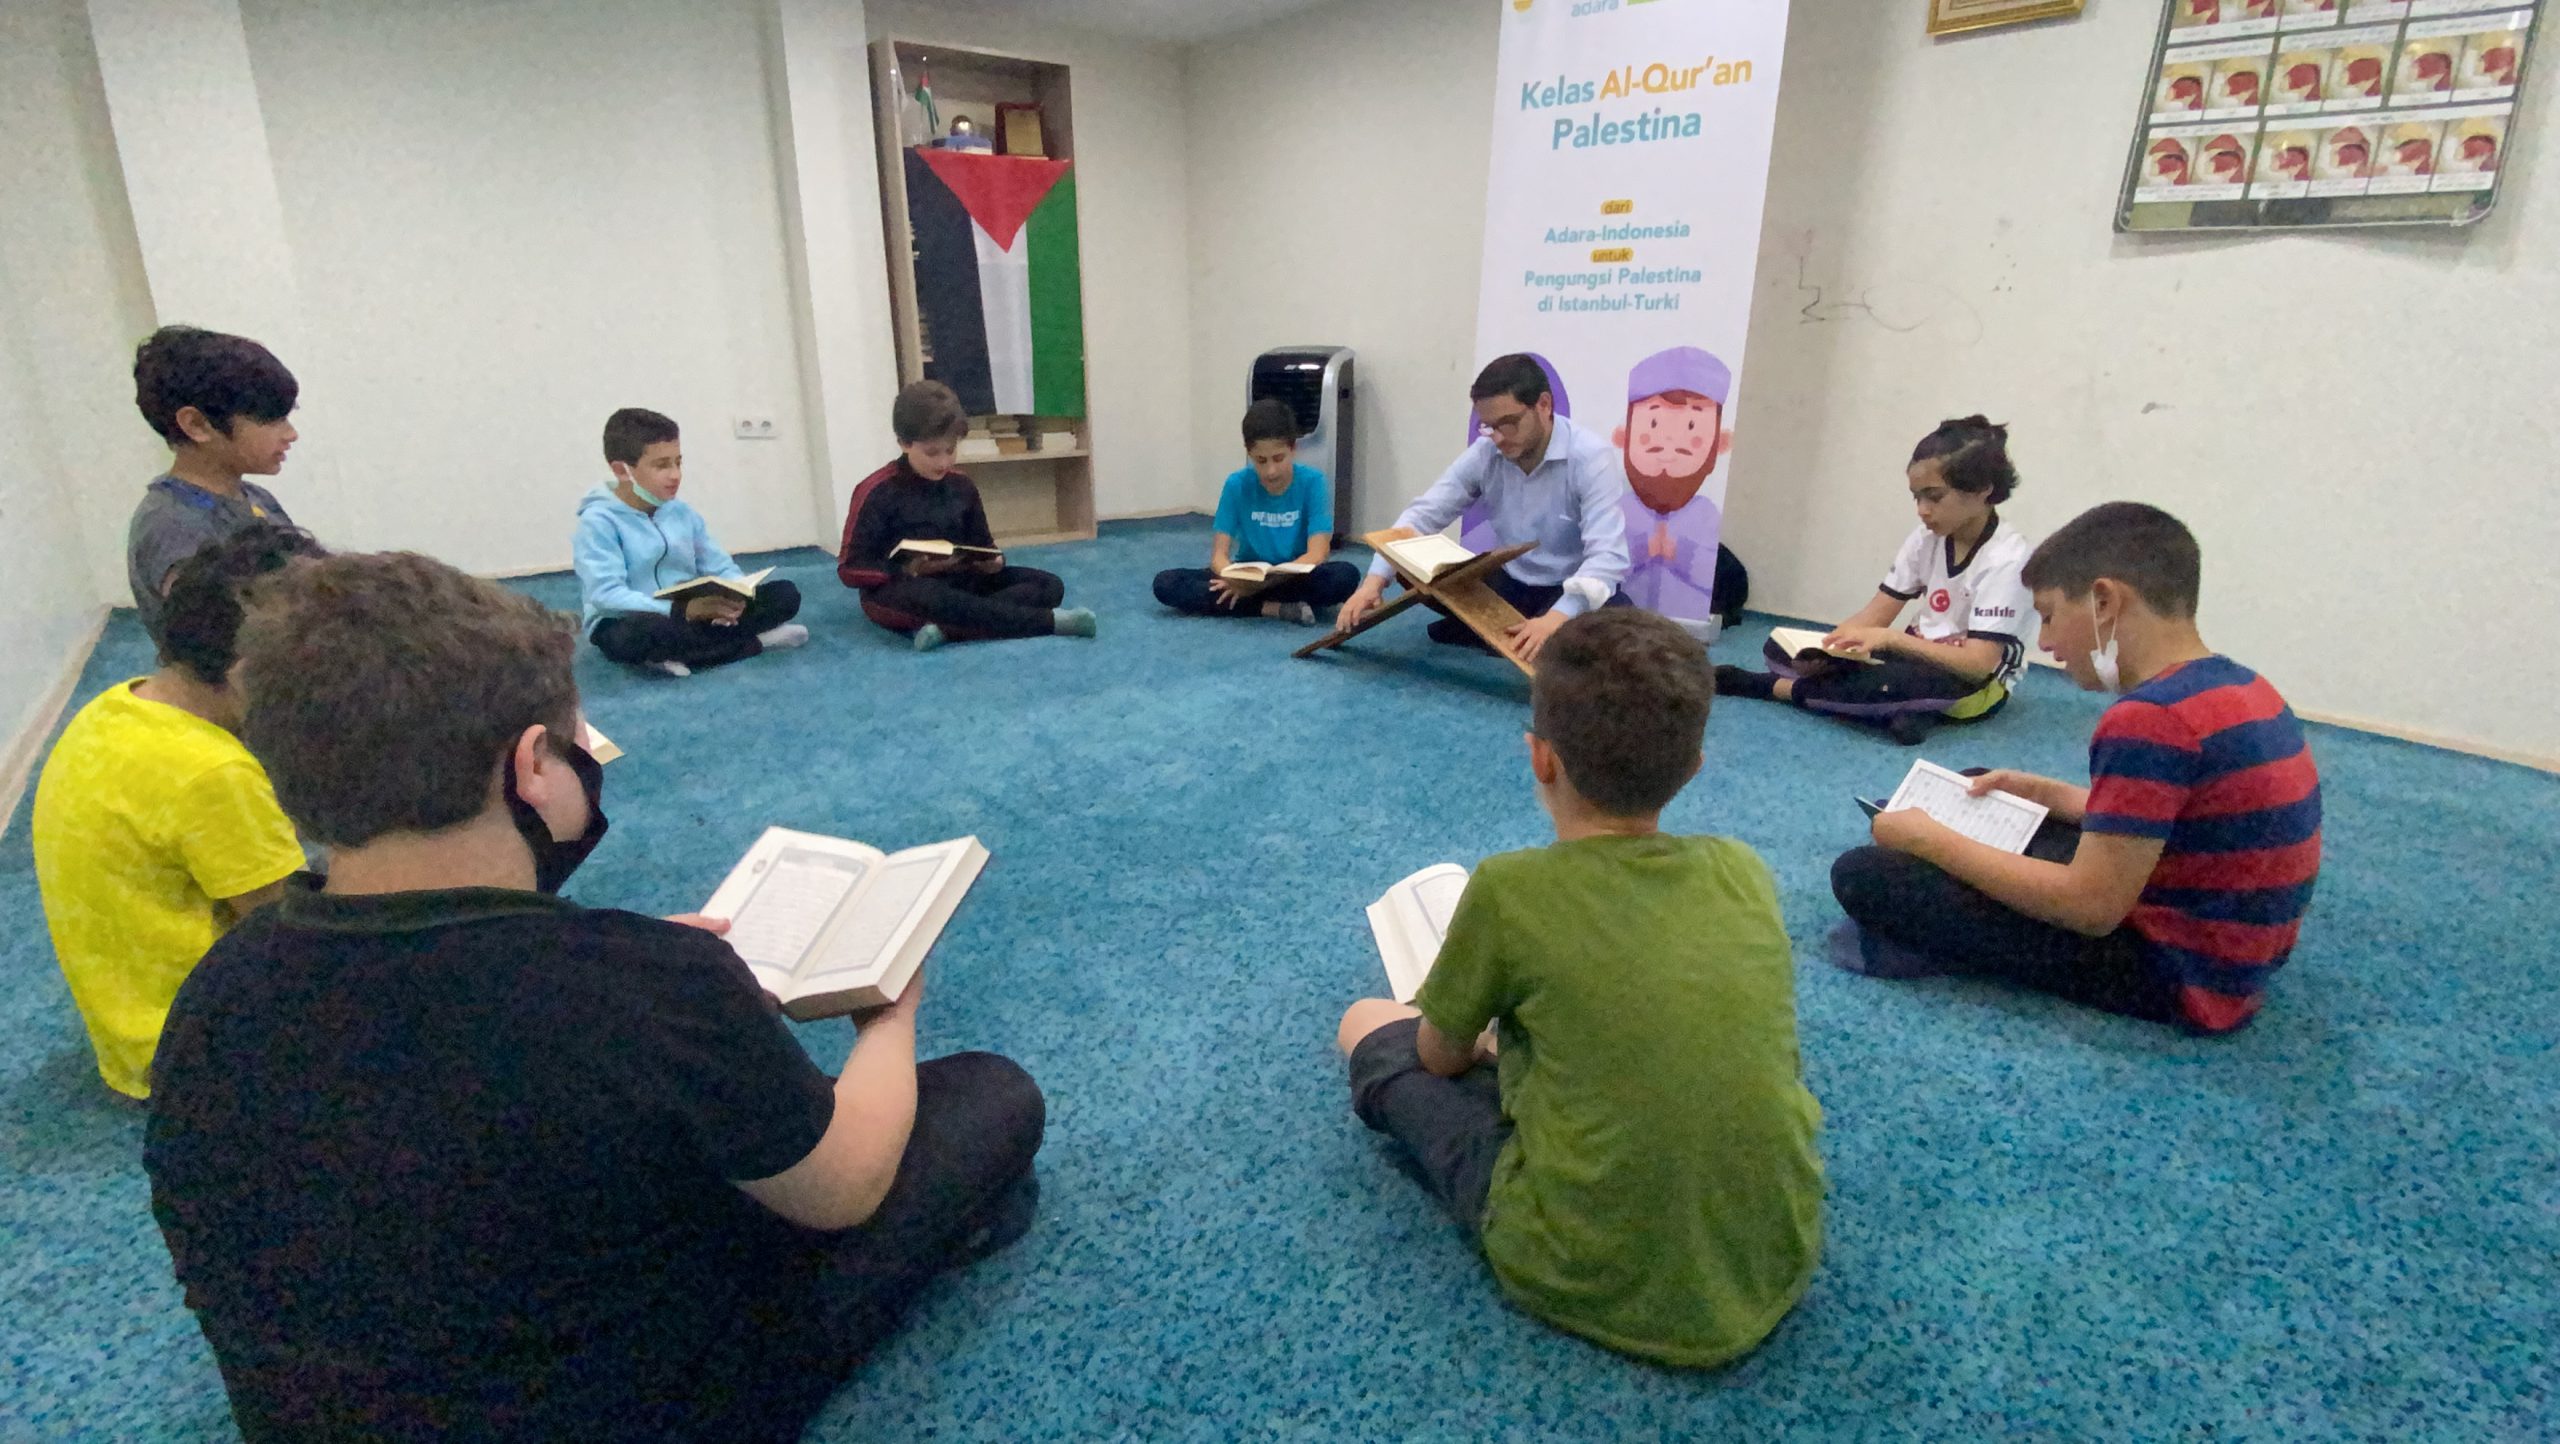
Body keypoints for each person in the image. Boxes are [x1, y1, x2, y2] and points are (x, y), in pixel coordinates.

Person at [144, 553, 1045, 1442]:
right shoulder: (644, 984)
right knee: (987, 1096)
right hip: (631, 1408)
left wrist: (647, 977)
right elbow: (844, 1187)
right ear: (532, 766)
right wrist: (890, 1017)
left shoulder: (218, 989)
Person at [1334, 609, 1823, 1367]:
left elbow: (1438, 1059)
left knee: (1366, 1023)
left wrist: (1479, 1041)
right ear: (1694, 766)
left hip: (1576, 1264)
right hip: (1775, 1249)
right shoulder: (1744, 870)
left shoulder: (1508, 888)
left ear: (1540, 758)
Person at [1829, 503, 2323, 1034]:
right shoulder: (2239, 684)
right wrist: (2051, 794)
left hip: (2178, 973)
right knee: (1984, 793)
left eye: (2048, 616)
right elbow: (2187, 820)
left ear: (2104, 601)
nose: (2044, 643)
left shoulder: (2150, 718)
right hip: (2234, 945)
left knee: (1867, 875)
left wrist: (1930, 843)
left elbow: (2091, 908)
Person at [32, 525, 320, 1100]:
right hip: (198, 1055)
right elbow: (290, 938)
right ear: (249, 671)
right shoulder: (213, 774)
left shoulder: (114, 709)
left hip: (133, 1035)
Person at [1714, 416, 2036, 746]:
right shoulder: (1926, 538)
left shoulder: (2007, 560)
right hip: (1913, 657)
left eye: (1934, 497)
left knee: (1890, 684)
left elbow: (1977, 665)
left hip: (1975, 683)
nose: (1922, 510)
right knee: (1781, 648)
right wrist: (1830, 650)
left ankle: (1773, 687)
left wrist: (1891, 640)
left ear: (1983, 490)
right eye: (1916, 498)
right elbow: (1876, 614)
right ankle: (1903, 711)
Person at [1335, 354, 1630, 664]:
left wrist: (1556, 618)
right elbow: (1422, 515)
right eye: (1489, 427)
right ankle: (1508, 631)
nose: (1498, 438)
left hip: (1565, 588)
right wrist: (1373, 583)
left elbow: (1607, 557)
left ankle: (1502, 631)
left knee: (1616, 629)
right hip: (1509, 583)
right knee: (1415, 570)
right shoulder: (1486, 452)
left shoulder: (1590, 457)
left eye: (1509, 423)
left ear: (1544, 405)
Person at [837, 381, 1096, 651]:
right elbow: (849, 569)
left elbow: (983, 546)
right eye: (931, 453)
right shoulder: (876, 490)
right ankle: (1050, 623)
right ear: (904, 443)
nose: (943, 462)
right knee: (931, 597)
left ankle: (947, 630)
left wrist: (993, 562)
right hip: (903, 588)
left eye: (950, 450)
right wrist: (906, 569)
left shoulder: (962, 486)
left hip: (959, 581)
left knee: (1049, 586)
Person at [574, 407, 807, 677]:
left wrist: (737, 593)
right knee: (646, 635)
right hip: (628, 618)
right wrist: (679, 610)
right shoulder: (598, 522)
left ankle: (682, 653)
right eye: (662, 465)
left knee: (785, 594)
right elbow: (606, 595)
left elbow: (718, 564)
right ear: (622, 470)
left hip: (691, 609)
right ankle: (756, 642)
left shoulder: (682, 513)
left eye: (678, 462)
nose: (675, 475)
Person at [126, 326, 303, 641]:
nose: (291, 434)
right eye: (271, 419)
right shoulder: (172, 529)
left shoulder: (257, 498)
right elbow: (218, 642)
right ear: (196, 425)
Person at [1150, 398, 1360, 624]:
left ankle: (1248, 604)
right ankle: (1270, 608)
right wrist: (1233, 578)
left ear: (1293, 449)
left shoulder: (1313, 482)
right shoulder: (1236, 484)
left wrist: (1264, 583)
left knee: (1345, 575)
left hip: (1292, 576)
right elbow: (1219, 556)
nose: (1271, 471)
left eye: (1278, 458)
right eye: (1261, 461)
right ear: (1249, 453)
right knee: (1166, 583)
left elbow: (1317, 553)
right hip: (1246, 575)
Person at [1615, 346, 1736, 620]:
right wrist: (1643, 550)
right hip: (1626, 618)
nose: (1669, 445)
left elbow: (1707, 569)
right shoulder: (1622, 507)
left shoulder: (1705, 513)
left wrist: (1678, 553)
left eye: (1691, 427)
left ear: (1719, 444)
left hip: (1685, 619)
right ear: (1623, 437)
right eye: (1653, 423)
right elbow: (1606, 564)